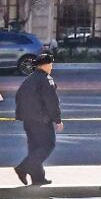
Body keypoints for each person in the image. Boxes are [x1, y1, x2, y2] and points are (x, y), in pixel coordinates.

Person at [14, 53, 63, 186]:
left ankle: (38, 178)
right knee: (48, 145)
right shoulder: (46, 79)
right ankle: (23, 167)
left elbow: (19, 96)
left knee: (35, 148)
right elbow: (52, 101)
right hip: (42, 121)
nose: (51, 67)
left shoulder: (30, 79)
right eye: (51, 64)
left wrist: (23, 116)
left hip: (28, 121)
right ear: (46, 65)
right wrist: (57, 120)